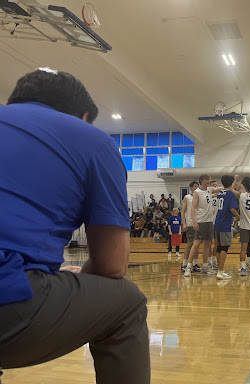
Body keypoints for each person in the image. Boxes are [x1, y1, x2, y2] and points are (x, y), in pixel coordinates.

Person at [0, 70, 149, 383]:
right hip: (7, 298)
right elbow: (112, 266)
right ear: (83, 116)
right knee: (127, 302)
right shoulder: (93, 140)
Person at [184, 174, 221, 277]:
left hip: (210, 221)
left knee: (207, 245)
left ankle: (205, 267)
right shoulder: (197, 193)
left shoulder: (209, 190)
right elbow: (192, 208)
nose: (209, 182)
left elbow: (221, 188)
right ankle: (188, 267)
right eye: (207, 180)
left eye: (209, 180)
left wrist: (233, 183)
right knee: (196, 244)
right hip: (201, 221)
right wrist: (194, 222)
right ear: (202, 181)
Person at [214, 175, 240, 280]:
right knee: (224, 247)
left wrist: (235, 181)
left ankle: (220, 270)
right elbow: (232, 208)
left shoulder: (221, 193)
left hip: (217, 221)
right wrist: (238, 216)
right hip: (225, 223)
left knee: (219, 247)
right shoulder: (230, 194)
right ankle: (220, 271)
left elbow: (229, 189)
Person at [180, 181, 199, 273]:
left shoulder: (199, 196)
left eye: (197, 186)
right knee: (190, 243)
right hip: (190, 223)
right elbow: (183, 211)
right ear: (191, 187)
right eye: (195, 186)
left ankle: (194, 264)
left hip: (199, 222)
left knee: (197, 244)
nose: (197, 187)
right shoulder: (187, 197)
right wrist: (184, 223)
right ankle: (184, 264)